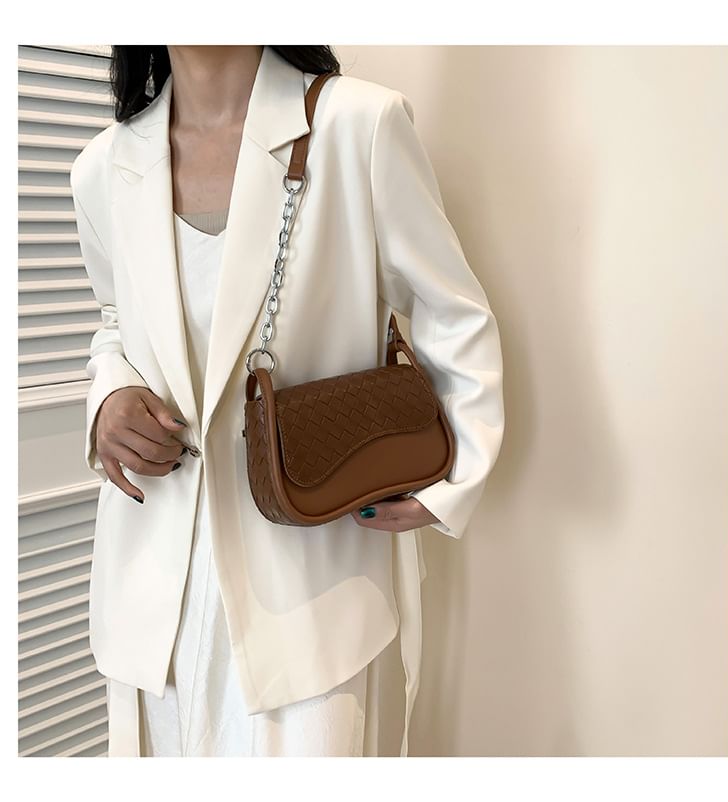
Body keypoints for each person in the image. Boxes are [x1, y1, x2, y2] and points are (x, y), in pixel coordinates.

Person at [71, 44, 505, 757]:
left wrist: (453, 478)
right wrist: (110, 398)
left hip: (312, 586)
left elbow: (451, 310)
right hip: (154, 595)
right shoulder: (102, 167)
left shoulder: (358, 126)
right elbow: (116, 322)